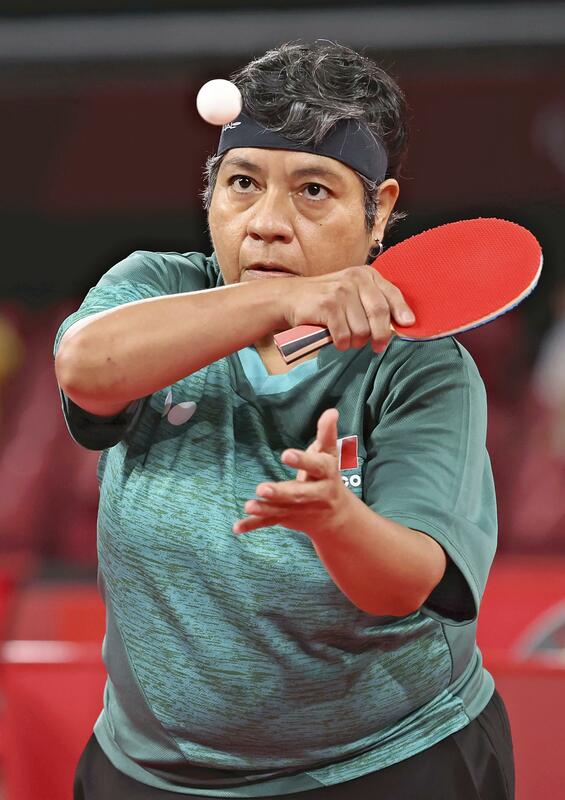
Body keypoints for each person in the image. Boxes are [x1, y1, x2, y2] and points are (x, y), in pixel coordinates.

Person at [54, 40, 514, 800]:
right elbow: (86, 370)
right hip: (148, 776)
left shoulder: (418, 366)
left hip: (386, 767)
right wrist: (282, 298)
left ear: (378, 211)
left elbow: (408, 581)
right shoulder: (155, 289)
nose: (266, 223)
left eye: (312, 190)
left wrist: (336, 521)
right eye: (243, 183)